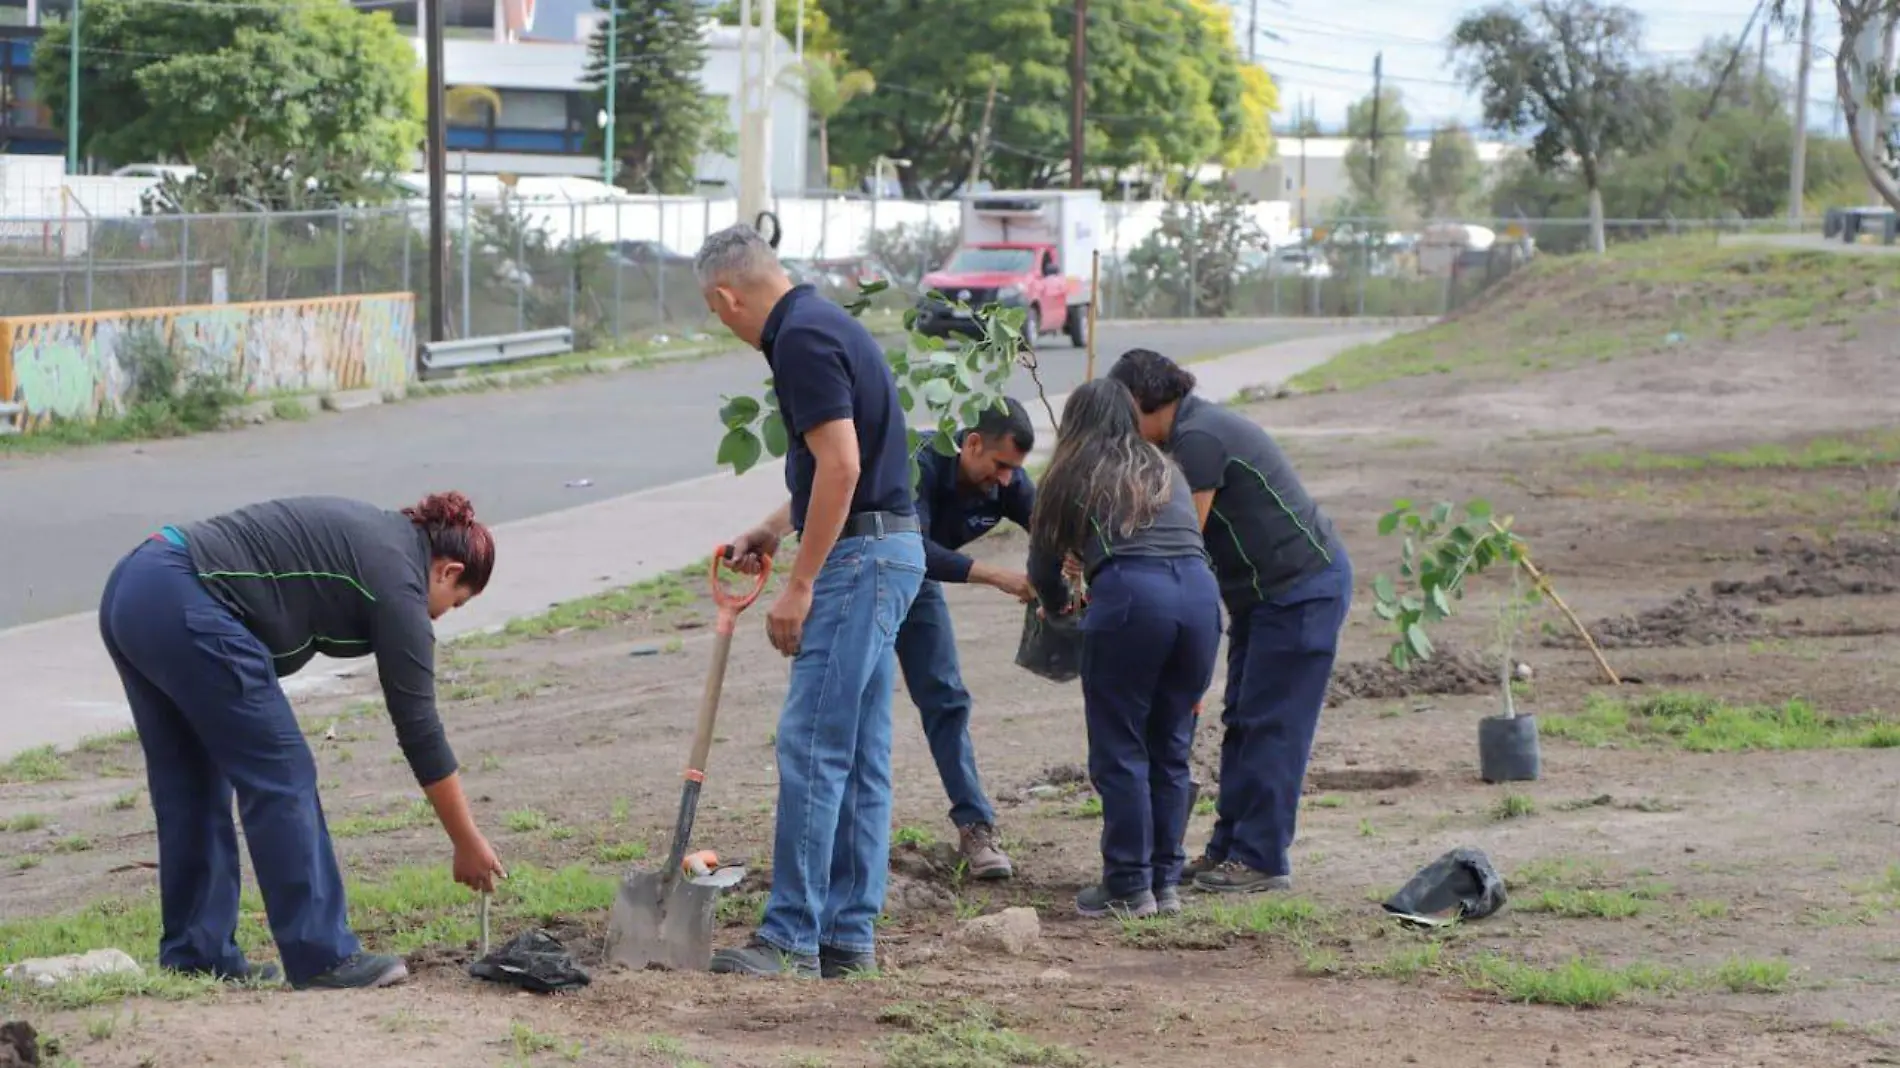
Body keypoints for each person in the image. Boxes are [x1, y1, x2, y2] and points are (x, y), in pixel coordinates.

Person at [96, 493, 508, 991]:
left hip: (138, 585)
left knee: (191, 781)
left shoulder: (382, 541)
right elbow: (418, 724)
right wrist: (466, 840)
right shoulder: (400, 581)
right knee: (282, 771)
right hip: (185, 594)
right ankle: (323, 956)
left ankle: (197, 954)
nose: (440, 617)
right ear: (447, 571)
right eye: (454, 603)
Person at [693, 224, 926, 980]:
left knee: (814, 745)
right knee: (857, 753)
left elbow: (844, 466)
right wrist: (772, 527)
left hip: (861, 562)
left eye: (715, 310)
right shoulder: (825, 322)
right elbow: (836, 465)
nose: (722, 322)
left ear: (727, 298)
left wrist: (801, 583)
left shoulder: (796, 341)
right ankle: (847, 935)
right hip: (890, 549)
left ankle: (792, 935)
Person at [1107, 349, 1352, 895]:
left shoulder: (1198, 440)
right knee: (1243, 717)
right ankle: (1229, 849)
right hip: (1262, 599)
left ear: (1146, 403)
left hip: (1300, 592)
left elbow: (1179, 543)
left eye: (1124, 416)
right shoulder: (1187, 431)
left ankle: (1262, 858)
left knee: (1272, 724)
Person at [1026, 379, 1220, 919]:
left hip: (1134, 600)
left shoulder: (1073, 471)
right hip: (1201, 601)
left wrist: (1057, 605)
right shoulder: (1165, 468)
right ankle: (1165, 881)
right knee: (1170, 745)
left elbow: (1043, 569)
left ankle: (1128, 886)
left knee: (1121, 746)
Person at [902, 397, 1038, 880]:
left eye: (1014, 471)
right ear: (972, 443)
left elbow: (1049, 526)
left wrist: (1072, 563)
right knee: (849, 708)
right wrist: (1000, 577)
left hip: (916, 587)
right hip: (864, 575)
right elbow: (911, 548)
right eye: (1000, 465)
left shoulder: (1008, 480)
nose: (1006, 479)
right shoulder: (917, 460)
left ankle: (976, 828)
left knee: (947, 698)